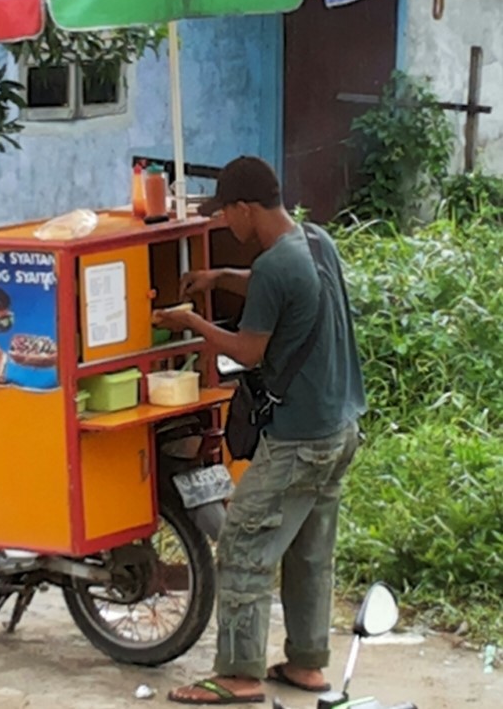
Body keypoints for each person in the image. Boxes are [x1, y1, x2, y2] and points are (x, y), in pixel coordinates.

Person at [154, 155, 366, 706]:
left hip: (300, 438)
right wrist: (221, 278)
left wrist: (192, 322)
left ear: (247, 208)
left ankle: (238, 674)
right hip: (341, 427)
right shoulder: (315, 240)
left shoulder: (277, 265)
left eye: (227, 214)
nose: (226, 225)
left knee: (244, 539)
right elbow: (282, 290)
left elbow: (248, 350)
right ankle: (306, 663)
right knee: (309, 548)